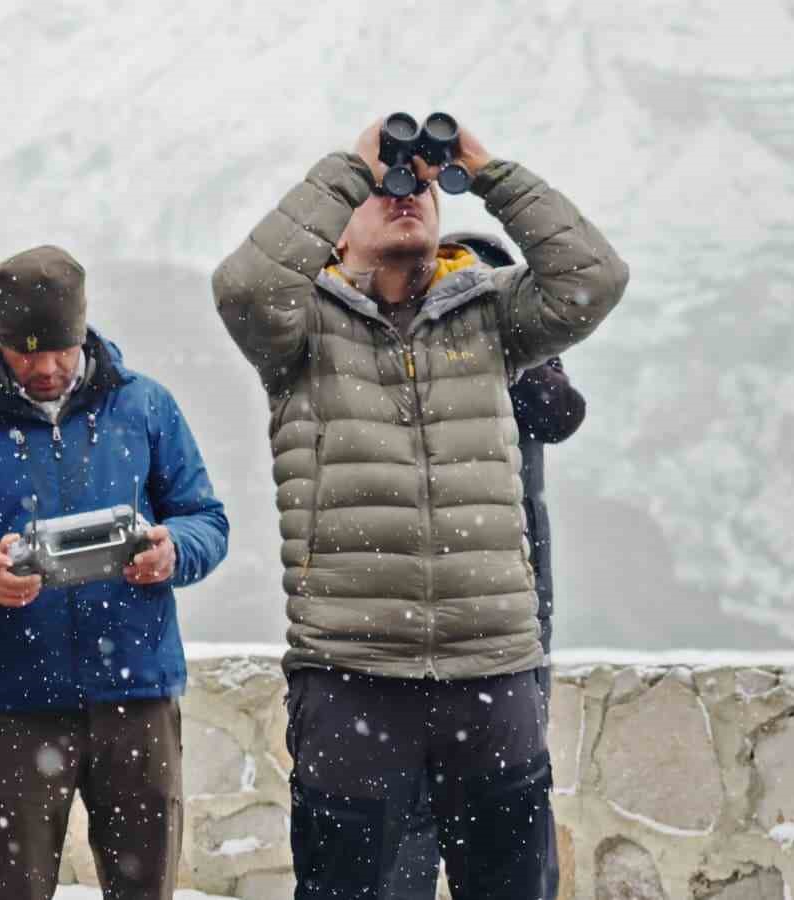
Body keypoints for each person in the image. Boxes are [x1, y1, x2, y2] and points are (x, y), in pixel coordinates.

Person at [211, 119, 628, 898]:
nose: (404, 197)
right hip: (352, 673)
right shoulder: (302, 330)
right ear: (336, 231)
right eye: (381, 190)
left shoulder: (490, 314)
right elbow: (244, 287)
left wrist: (485, 167)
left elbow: (593, 278)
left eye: (421, 187)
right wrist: (349, 167)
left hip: (491, 669)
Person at [0, 245, 230, 900]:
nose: (46, 368)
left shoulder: (146, 406)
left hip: (138, 696)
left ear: (83, 331)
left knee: (145, 890)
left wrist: (174, 551)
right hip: (18, 704)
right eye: (26, 352)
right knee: (13, 889)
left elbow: (207, 520)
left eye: (60, 348)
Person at [383, 231, 589, 900]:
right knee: (412, 803)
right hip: (414, 592)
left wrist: (501, 351)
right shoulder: (393, 331)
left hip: (509, 591)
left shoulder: (513, 324)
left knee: (509, 790)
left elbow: (561, 413)